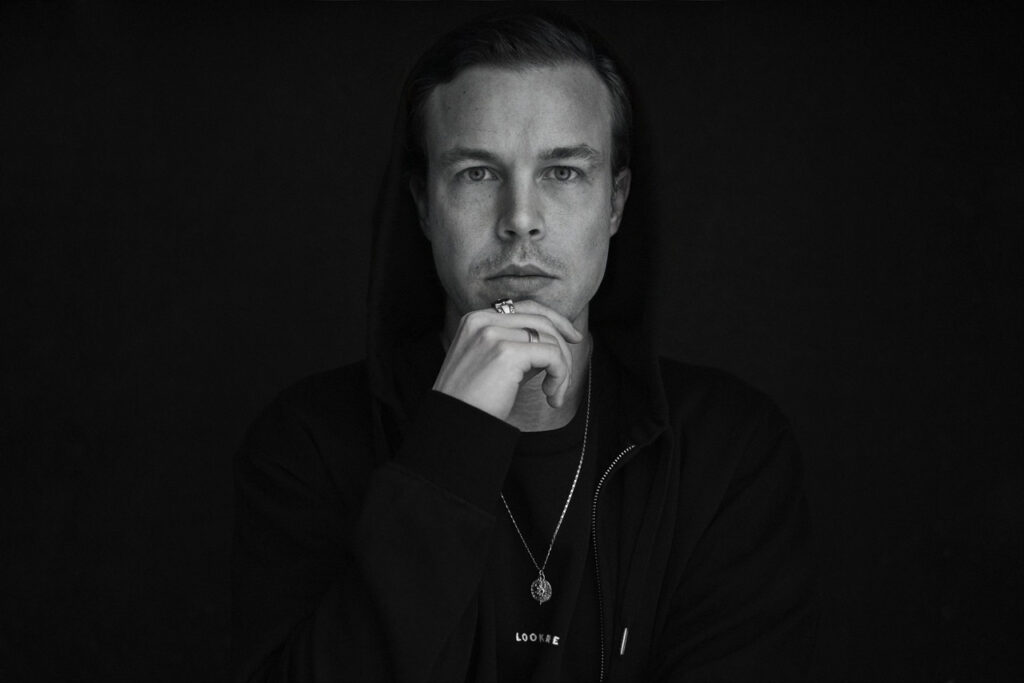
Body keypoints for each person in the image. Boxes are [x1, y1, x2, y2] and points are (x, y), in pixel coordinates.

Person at [231, 10, 816, 682]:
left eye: (563, 172)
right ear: (424, 204)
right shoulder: (308, 442)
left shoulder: (729, 452)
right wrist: (450, 448)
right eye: (477, 173)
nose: (520, 220)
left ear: (615, 202)